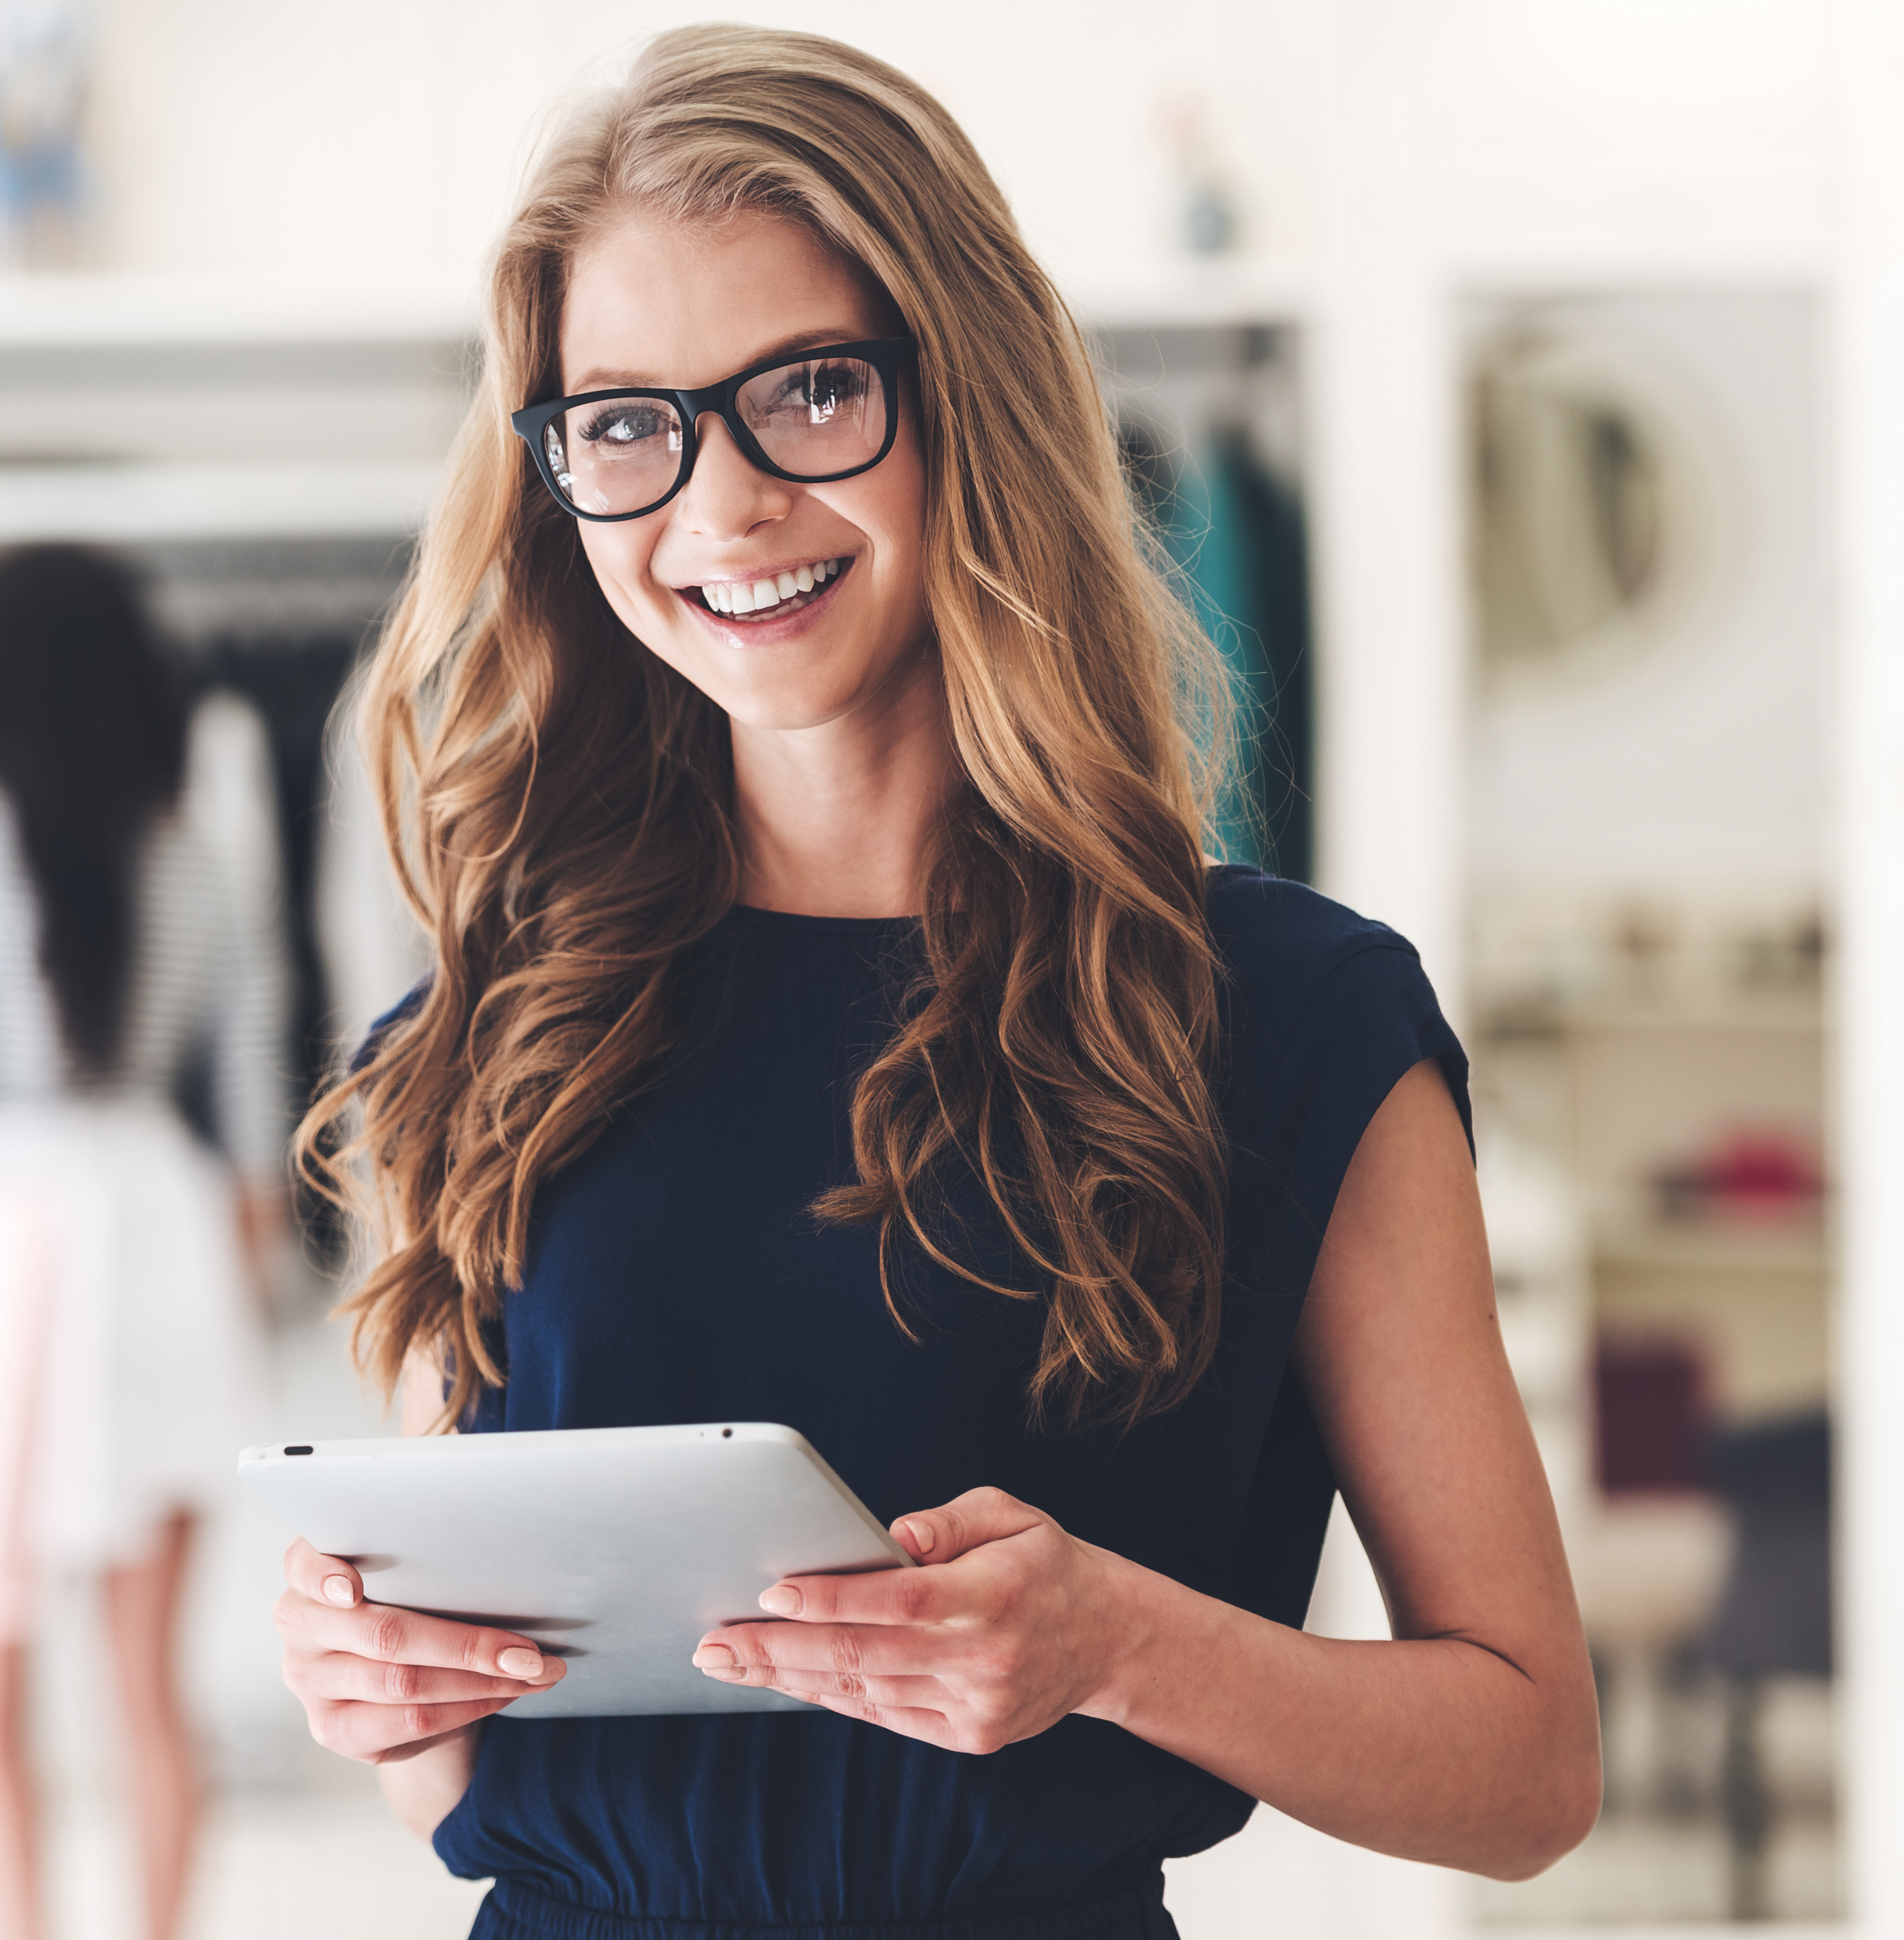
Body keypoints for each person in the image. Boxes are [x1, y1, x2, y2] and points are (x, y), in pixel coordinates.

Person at [274, 25, 1598, 1940]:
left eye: (807, 390)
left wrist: (1114, 1643)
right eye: (628, 421)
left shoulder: (1292, 1022)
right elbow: (471, 1780)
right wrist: (377, 1692)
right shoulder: (480, 1041)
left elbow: (1531, 1771)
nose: (716, 507)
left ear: (962, 392)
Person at [0, 544, 288, 1940]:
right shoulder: (191, 848)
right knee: (153, 1692)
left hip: (3, 1249)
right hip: (158, 1232)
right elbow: (254, 1077)